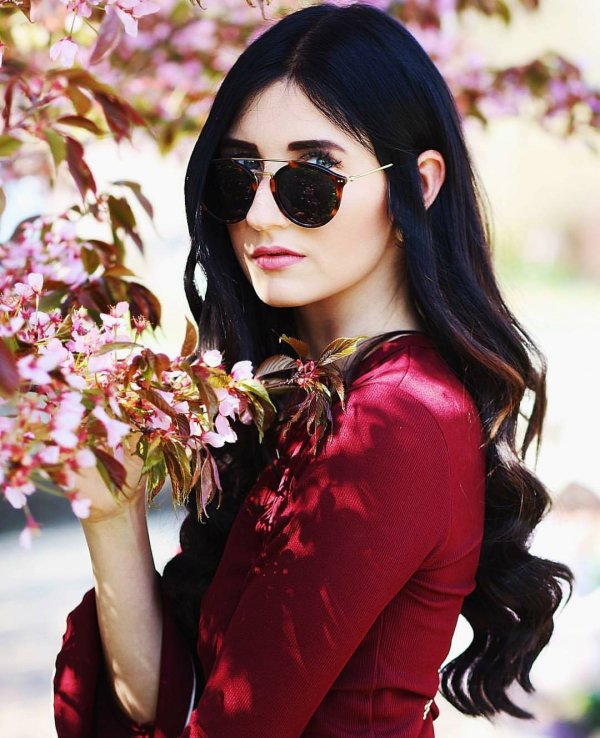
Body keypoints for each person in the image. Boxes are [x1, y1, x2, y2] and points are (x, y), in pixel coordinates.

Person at [53, 3, 575, 737]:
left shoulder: (400, 416)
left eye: (310, 179)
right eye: (238, 178)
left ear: (418, 187)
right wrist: (113, 515)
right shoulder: (298, 397)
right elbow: (173, 703)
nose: (261, 215)